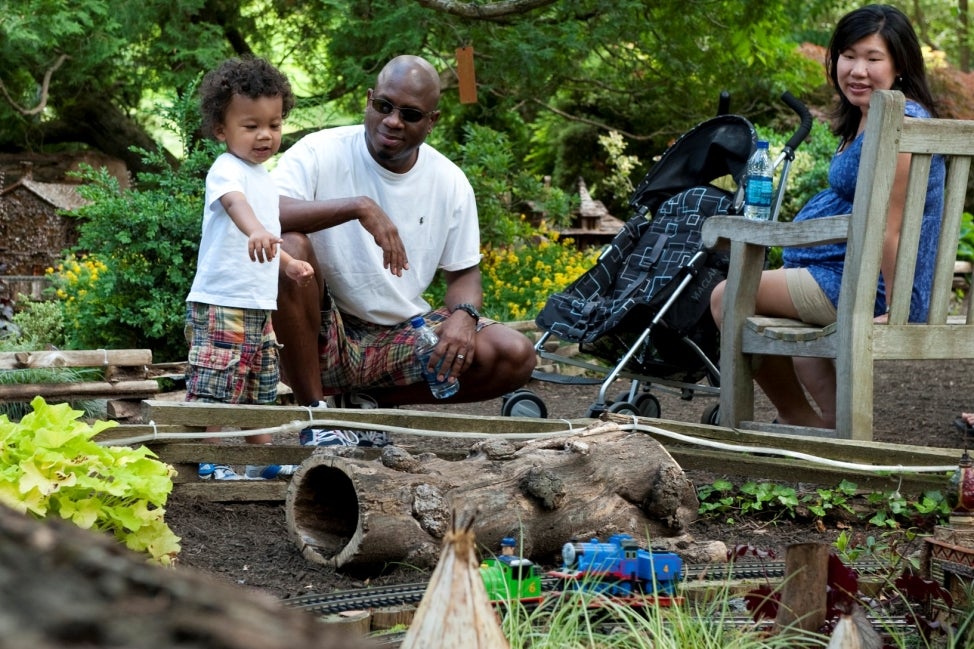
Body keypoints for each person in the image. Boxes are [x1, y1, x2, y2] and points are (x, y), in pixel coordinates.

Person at [270, 55, 536, 446]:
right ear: (368, 100)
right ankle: (316, 416)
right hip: (319, 333)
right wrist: (358, 206)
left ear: (432, 121)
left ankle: (367, 405)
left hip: (399, 337)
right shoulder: (320, 151)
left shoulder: (449, 181)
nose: (393, 121)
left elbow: (464, 273)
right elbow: (265, 213)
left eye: (410, 114)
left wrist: (464, 314)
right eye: (384, 106)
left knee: (515, 354)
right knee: (291, 245)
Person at [709, 4, 944, 430]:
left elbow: (889, 228)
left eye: (873, 59)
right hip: (848, 271)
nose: (857, 69)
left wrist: (898, 308)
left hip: (872, 284)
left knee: (727, 296)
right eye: (848, 56)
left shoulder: (903, 127)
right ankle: (832, 429)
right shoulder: (868, 117)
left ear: (900, 64)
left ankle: (795, 417)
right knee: (788, 328)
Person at [186, 57, 314, 479]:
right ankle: (210, 458)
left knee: (260, 381)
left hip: (257, 304)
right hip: (223, 300)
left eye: (274, 124)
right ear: (221, 130)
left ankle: (261, 459)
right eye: (251, 125)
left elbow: (269, 236)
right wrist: (256, 229)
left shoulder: (265, 176)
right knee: (219, 385)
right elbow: (236, 206)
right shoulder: (227, 170)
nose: (265, 135)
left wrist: (290, 263)